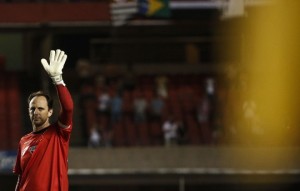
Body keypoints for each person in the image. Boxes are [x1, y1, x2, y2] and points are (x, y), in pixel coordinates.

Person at [13, 49, 74, 191]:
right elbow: (21, 178)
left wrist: (58, 80)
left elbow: (68, 108)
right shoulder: (23, 141)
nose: (36, 112)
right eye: (32, 109)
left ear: (50, 112)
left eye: (40, 108)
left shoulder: (59, 133)